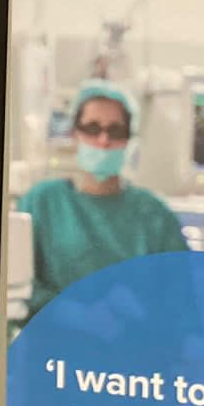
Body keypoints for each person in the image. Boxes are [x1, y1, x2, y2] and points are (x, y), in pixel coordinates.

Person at [18, 79, 187, 316]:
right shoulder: (42, 202)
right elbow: (18, 288)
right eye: (92, 128)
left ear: (128, 139)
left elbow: (181, 296)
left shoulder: (154, 215)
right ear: (74, 133)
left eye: (115, 131)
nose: (104, 140)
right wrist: (75, 314)